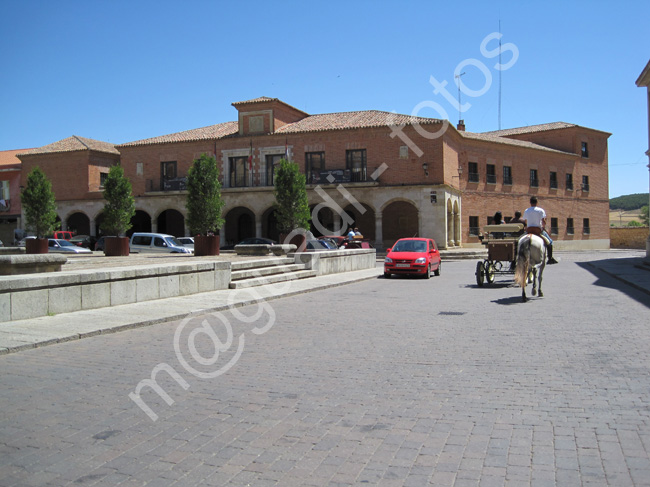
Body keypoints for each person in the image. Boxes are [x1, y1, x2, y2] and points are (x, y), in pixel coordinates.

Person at [523, 196, 558, 264]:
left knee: (518, 241)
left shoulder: (526, 210)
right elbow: (543, 222)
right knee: (550, 242)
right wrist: (543, 227)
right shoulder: (541, 210)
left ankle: (514, 261)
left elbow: (525, 222)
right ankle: (550, 258)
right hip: (538, 230)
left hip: (529, 230)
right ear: (537, 202)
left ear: (530, 202)